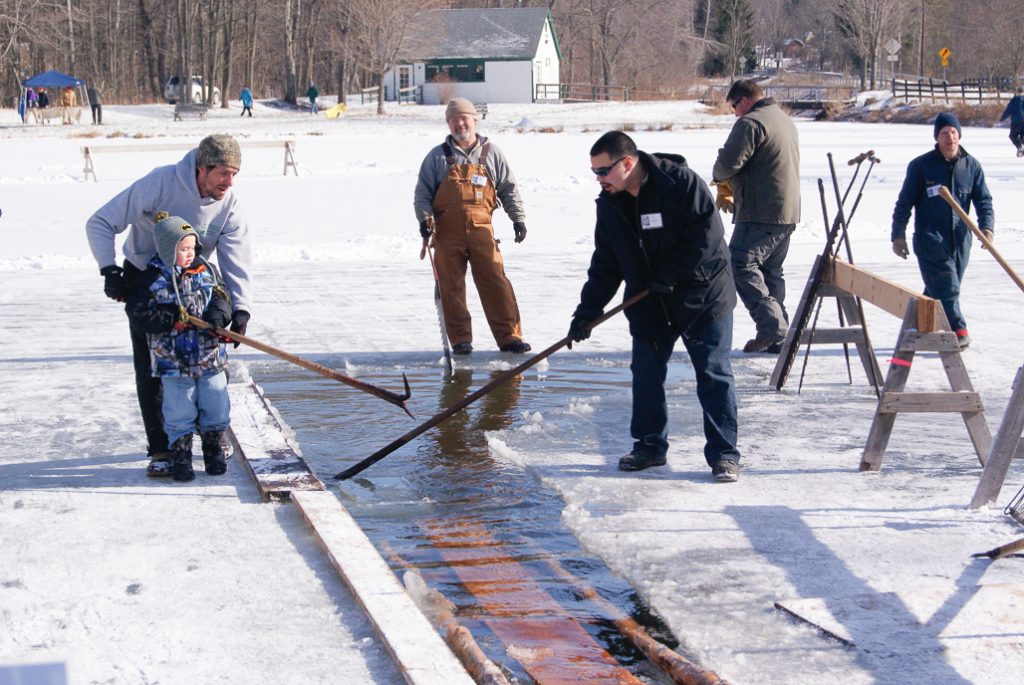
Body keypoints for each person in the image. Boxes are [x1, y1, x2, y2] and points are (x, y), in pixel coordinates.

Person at [568, 131, 742, 482]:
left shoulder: (681, 184)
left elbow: (706, 239)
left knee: (713, 373)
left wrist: (670, 273)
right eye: (594, 172)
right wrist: (587, 313)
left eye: (602, 171)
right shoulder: (611, 203)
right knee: (646, 373)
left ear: (627, 163)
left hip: (702, 296)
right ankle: (649, 447)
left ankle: (724, 455)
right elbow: (606, 263)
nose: (598, 180)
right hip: (650, 301)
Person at [85, 134, 253, 476]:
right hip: (148, 280)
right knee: (153, 366)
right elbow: (100, 222)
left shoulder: (229, 205)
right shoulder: (160, 183)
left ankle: (210, 433)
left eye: (235, 173)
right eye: (223, 172)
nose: (229, 182)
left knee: (206, 366)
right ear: (201, 168)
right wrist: (109, 269)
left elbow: (237, 259)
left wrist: (240, 310)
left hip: (198, 282)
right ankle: (162, 447)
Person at [414, 97, 531, 355]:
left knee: (495, 282)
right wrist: (425, 220)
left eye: (464, 118)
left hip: (482, 230)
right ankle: (460, 340)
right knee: (451, 287)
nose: (459, 123)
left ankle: (510, 337)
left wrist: (518, 218)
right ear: (448, 123)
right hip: (447, 233)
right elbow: (423, 194)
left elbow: (508, 189)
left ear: (475, 121)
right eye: (453, 119)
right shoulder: (436, 157)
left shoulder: (492, 153)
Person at [125, 213, 232, 482]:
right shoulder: (151, 278)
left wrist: (219, 315)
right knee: (179, 409)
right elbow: (138, 313)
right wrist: (170, 318)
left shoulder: (206, 270)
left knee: (216, 403)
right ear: (166, 248)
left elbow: (222, 297)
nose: (189, 253)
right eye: (183, 249)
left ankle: (212, 447)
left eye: (192, 248)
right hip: (173, 360)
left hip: (209, 355)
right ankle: (181, 454)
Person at [712, 79, 801, 354]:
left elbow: (727, 163)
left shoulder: (751, 122)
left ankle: (773, 328)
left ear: (744, 100)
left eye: (733, 107)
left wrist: (721, 180)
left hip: (761, 211)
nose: (734, 113)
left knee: (740, 264)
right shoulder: (784, 120)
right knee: (770, 271)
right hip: (786, 211)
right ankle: (779, 335)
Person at [891, 112, 994, 350]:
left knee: (938, 290)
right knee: (948, 287)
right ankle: (959, 330)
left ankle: (916, 328)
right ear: (937, 137)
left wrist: (987, 227)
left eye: (953, 132)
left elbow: (984, 201)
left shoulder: (971, 166)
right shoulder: (921, 167)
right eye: (944, 133)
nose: (949, 137)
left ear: (959, 135)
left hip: (960, 239)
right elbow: (904, 203)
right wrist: (898, 235)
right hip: (930, 238)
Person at [999, 86, 1024, 157]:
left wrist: (1002, 119)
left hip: (1016, 122)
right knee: (1023, 136)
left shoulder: (1013, 101)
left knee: (1013, 135)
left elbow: (1008, 111)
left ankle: (1020, 147)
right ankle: (1021, 148)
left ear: (1017, 92)